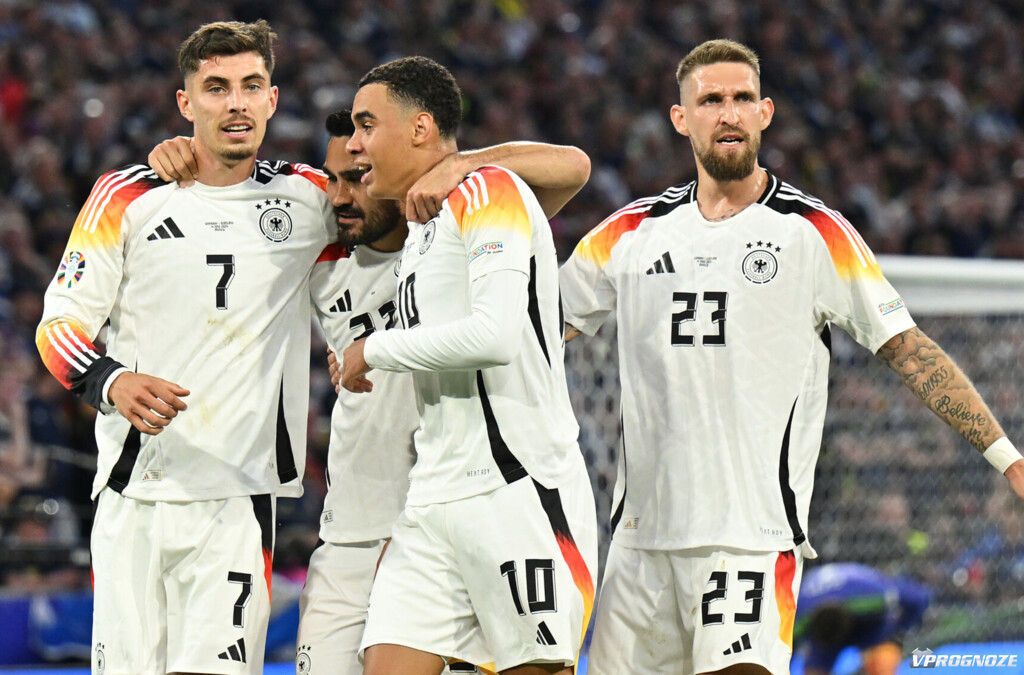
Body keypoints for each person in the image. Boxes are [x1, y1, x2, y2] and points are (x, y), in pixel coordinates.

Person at [558, 38, 1024, 675]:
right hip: (640, 542)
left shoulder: (814, 233)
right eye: (711, 100)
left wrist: (1008, 458)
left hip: (750, 539)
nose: (729, 113)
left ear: (765, 112)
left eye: (742, 98)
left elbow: (909, 351)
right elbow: (533, 332)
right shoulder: (630, 231)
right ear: (681, 118)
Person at [148, 112, 590, 674]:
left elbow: (572, 167)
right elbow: (236, 206)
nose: (339, 197)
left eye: (357, 177)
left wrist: (460, 164)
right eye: (332, 179)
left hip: (455, 510)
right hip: (352, 532)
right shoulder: (320, 258)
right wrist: (189, 152)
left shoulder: (455, 236)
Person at [35, 20, 336, 675]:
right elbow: (57, 325)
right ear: (186, 103)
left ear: (273, 99)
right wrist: (110, 380)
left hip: (239, 498)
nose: (236, 103)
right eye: (216, 88)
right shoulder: (127, 196)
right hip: (134, 492)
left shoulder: (310, 198)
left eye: (251, 86)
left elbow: (394, 211)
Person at [339, 56, 598, 675]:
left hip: (517, 487)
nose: (353, 144)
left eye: (367, 124)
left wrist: (372, 350)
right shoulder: (421, 229)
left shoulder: (488, 190)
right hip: (433, 496)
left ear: (420, 127)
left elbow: (494, 335)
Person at [794, 563, 930, 675]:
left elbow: (919, 599)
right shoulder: (798, 617)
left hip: (870, 626)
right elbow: (785, 653)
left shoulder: (871, 595)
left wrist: (898, 630)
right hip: (822, 640)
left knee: (882, 662)